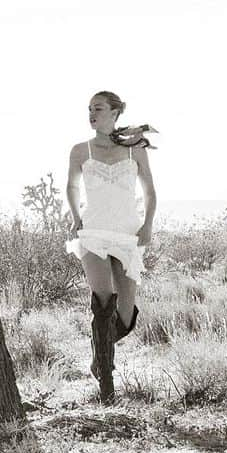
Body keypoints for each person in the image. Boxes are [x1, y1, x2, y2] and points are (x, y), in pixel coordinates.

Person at [64, 91, 157, 404]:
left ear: (115, 112)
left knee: (126, 315)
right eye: (89, 109)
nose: (92, 113)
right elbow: (71, 187)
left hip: (127, 233)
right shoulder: (80, 150)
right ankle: (107, 384)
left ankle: (99, 352)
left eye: (99, 108)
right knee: (104, 301)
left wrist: (147, 226)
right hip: (94, 233)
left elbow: (150, 192)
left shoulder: (135, 150)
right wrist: (77, 217)